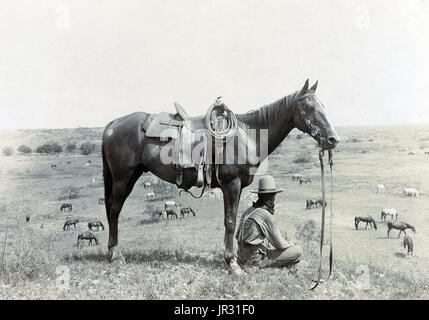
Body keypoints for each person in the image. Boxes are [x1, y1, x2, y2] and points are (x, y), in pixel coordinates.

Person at [235, 175, 302, 268]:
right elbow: (280, 244)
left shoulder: (248, 211)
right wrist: (290, 244)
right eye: (273, 197)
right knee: (298, 251)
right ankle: (266, 265)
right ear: (271, 198)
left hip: (241, 258)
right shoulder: (264, 214)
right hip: (255, 260)